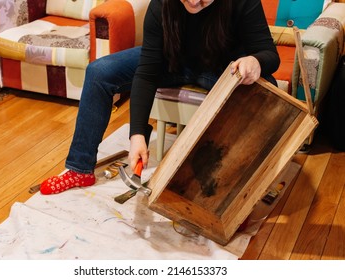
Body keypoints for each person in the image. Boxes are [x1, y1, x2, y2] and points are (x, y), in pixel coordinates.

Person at [40, 0, 280, 195]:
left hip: (221, 70)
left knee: (267, 91)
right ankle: (79, 169)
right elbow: (146, 73)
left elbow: (271, 55)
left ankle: (243, 189)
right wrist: (136, 136)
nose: (194, 1)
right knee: (99, 72)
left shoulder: (243, 3)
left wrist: (256, 61)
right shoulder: (161, 4)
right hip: (172, 62)